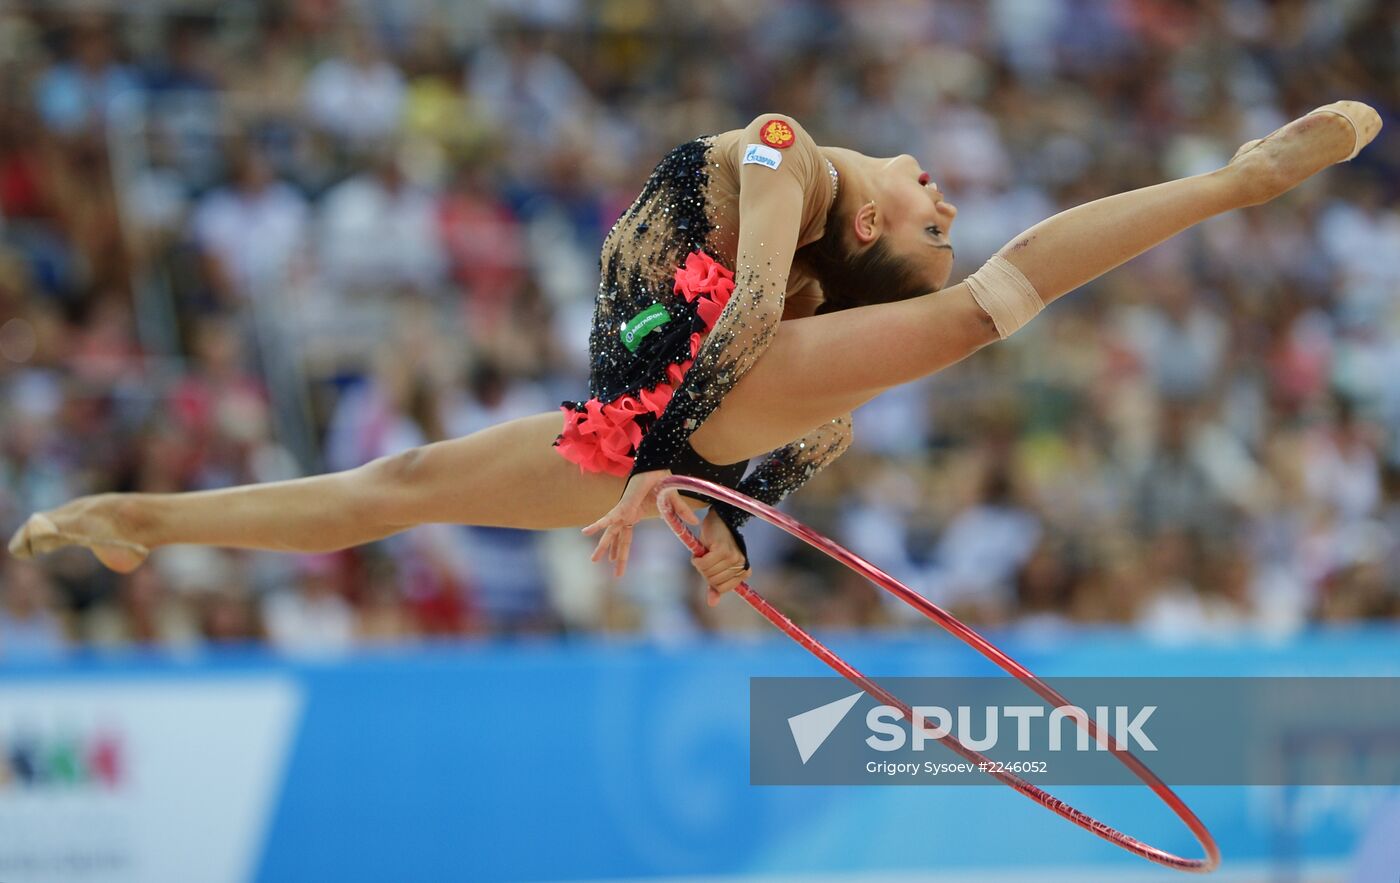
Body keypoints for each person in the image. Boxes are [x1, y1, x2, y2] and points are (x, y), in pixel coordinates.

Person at [9, 103, 1382, 608]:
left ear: (866, 229)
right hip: (652, 414)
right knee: (403, 481)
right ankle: (135, 518)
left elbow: (733, 338)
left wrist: (687, 490)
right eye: (940, 208)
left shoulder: (788, 180)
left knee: (979, 316)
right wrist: (683, 491)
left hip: (674, 410)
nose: (942, 196)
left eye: (932, 215)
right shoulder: (779, 154)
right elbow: (716, 342)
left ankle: (1237, 180)